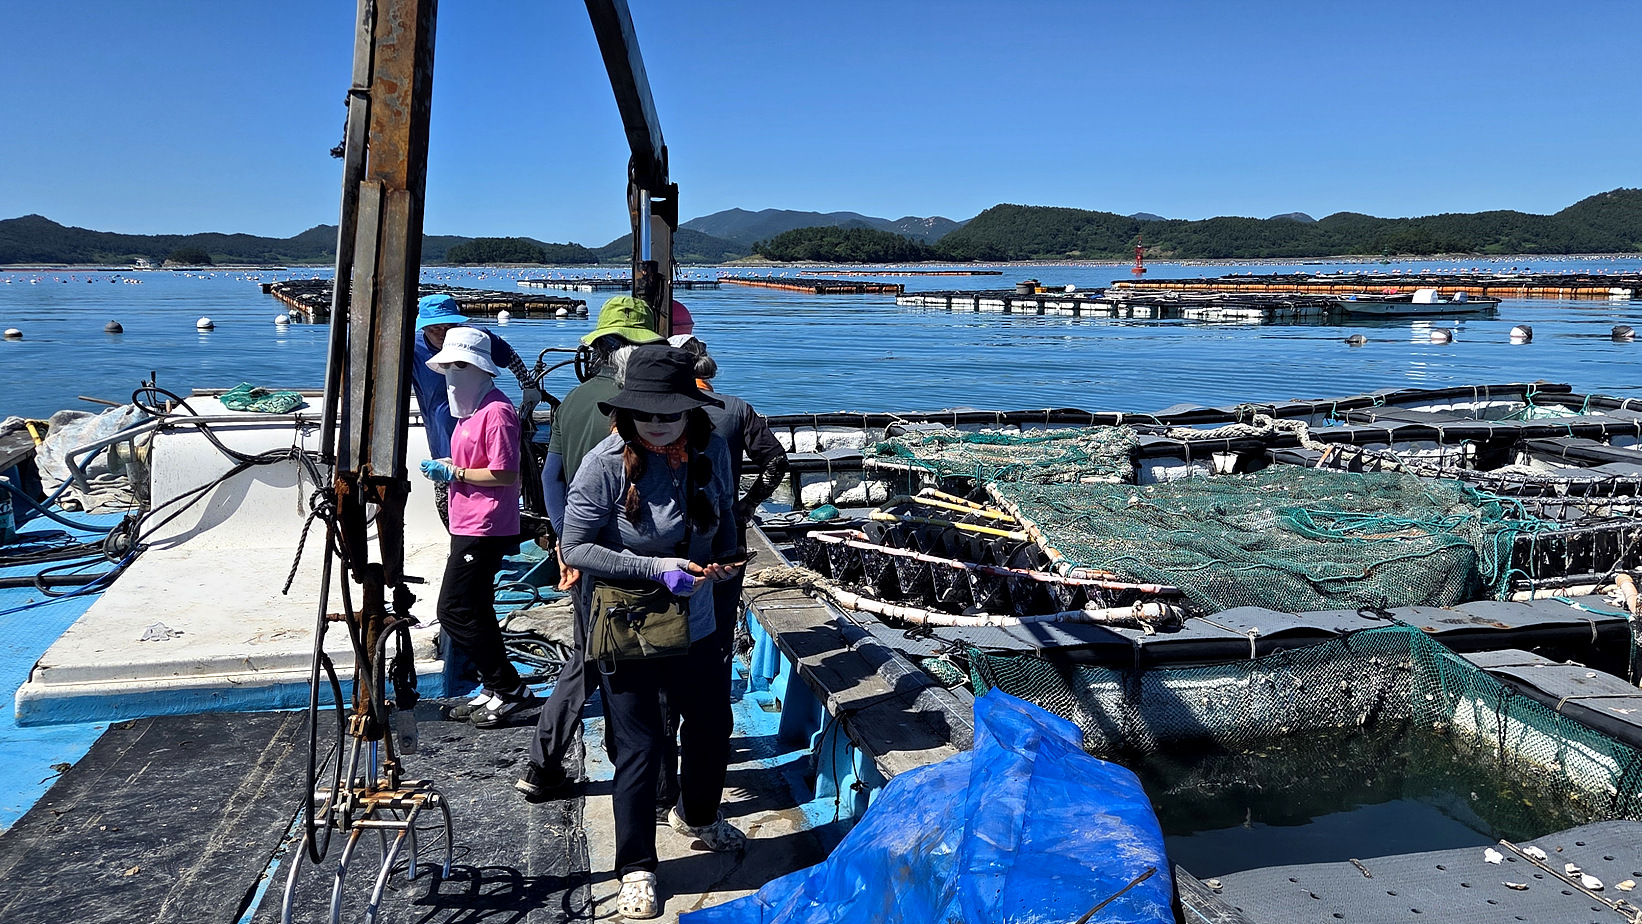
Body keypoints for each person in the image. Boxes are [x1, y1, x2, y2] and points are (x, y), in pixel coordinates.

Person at [558, 347, 747, 919]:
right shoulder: (603, 464)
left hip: (700, 621)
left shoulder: (711, 451)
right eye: (646, 412)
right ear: (625, 411)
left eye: (670, 412)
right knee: (640, 747)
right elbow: (576, 547)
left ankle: (698, 814)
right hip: (630, 627)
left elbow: (725, 515)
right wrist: (654, 568)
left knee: (712, 725)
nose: (658, 421)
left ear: (691, 408)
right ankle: (636, 867)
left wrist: (725, 561)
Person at [517, 296, 664, 795]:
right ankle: (649, 776)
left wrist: (566, 541)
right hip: (635, 562)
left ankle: (541, 763)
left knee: (585, 658)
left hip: (583, 556)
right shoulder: (645, 404)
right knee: (645, 665)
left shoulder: (574, 400)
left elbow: (550, 477)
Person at [652, 334, 788, 811]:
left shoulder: (656, 417)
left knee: (662, 665)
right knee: (714, 653)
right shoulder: (736, 410)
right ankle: (708, 758)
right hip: (724, 547)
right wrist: (746, 506)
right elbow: (776, 461)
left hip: (668, 554)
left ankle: (663, 784)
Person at [419, 328, 536, 728]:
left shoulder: (497, 412)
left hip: (485, 525)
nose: (453, 374)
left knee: (453, 609)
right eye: (448, 366)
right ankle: (495, 686)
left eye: (461, 366)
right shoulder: (469, 413)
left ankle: (509, 687)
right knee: (478, 608)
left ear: (482, 369)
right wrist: (452, 468)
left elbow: (505, 473)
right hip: (466, 519)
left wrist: (456, 473)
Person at [410, 293, 538, 528]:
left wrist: (528, 385)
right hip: (443, 438)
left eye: (448, 327)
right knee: (447, 505)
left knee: (492, 498)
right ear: (423, 328)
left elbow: (509, 355)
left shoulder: (475, 337)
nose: (442, 333)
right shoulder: (411, 347)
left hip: (483, 435)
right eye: (435, 329)